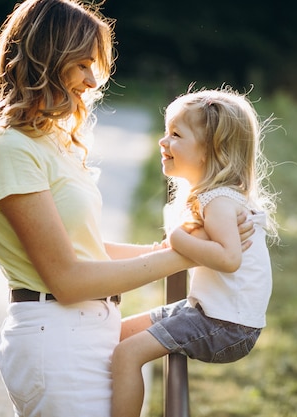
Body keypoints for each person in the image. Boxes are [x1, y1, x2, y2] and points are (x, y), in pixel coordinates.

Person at [0, 1, 253, 416]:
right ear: (47, 59)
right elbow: (69, 279)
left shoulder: (46, 141)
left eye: (96, 66)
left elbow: (87, 250)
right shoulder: (8, 149)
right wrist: (187, 253)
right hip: (57, 339)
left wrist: (188, 244)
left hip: (86, 332)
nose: (93, 80)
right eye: (83, 65)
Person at [110, 86, 279, 417]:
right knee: (112, 334)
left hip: (228, 325)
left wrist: (178, 238)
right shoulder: (215, 199)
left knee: (126, 354)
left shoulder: (217, 201)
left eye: (175, 134)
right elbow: (170, 252)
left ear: (210, 150)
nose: (163, 142)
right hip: (208, 313)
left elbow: (229, 260)